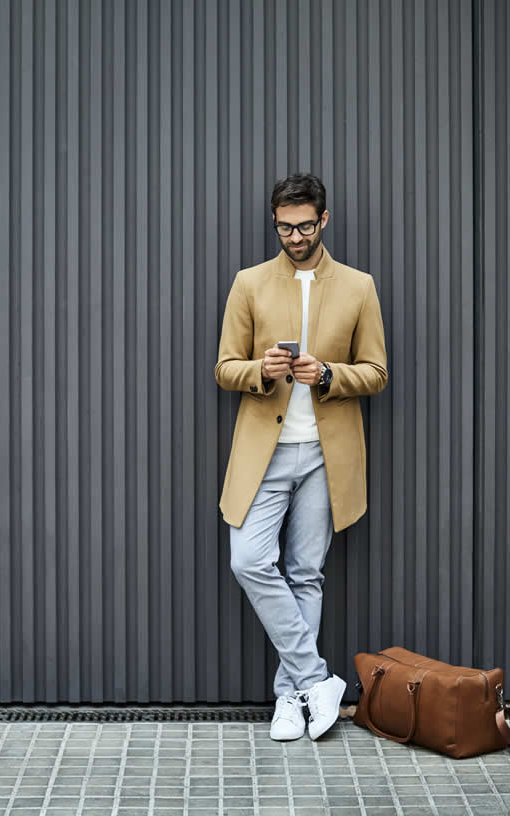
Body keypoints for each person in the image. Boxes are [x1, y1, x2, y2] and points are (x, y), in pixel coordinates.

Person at [214, 174, 389, 741]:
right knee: (249, 560)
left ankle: (290, 701)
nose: (295, 236)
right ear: (275, 223)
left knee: (305, 574)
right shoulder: (250, 283)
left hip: (324, 455)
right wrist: (261, 372)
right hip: (264, 453)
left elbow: (378, 372)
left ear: (324, 220)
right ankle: (317, 680)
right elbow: (224, 367)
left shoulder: (359, 287)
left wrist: (331, 375)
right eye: (285, 227)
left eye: (305, 226)